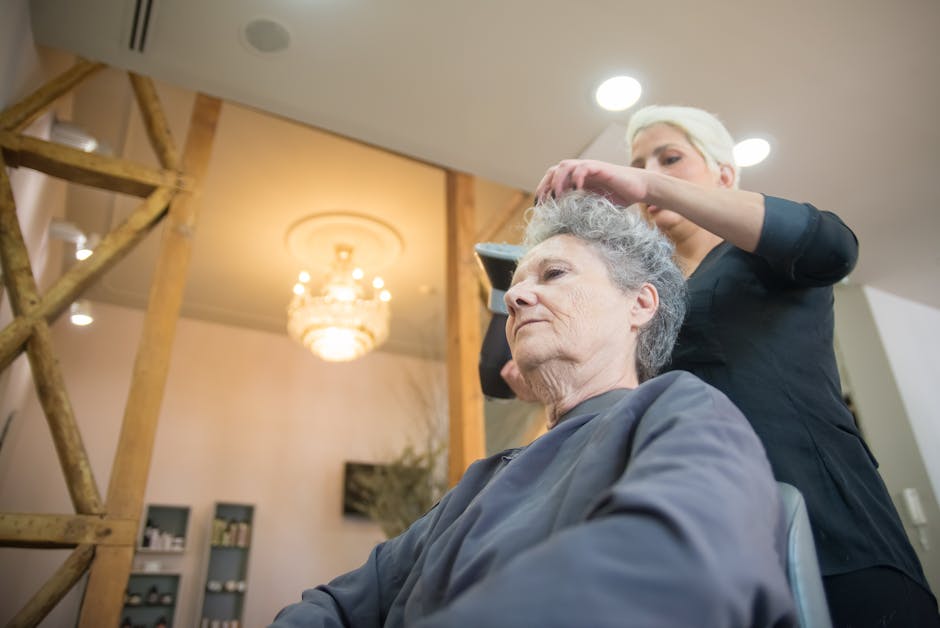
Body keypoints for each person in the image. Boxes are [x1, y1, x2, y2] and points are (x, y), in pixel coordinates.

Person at [271, 192, 796, 628]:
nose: (517, 297)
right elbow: (340, 604)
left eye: (553, 275)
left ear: (640, 304)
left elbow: (682, 568)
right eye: (516, 286)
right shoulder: (481, 480)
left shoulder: (680, 409)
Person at [507, 104, 938, 627]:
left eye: (670, 159)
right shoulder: (645, 301)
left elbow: (834, 247)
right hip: (714, 555)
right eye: (643, 162)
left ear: (725, 175)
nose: (654, 171)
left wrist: (648, 184)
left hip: (831, 534)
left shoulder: (764, 258)